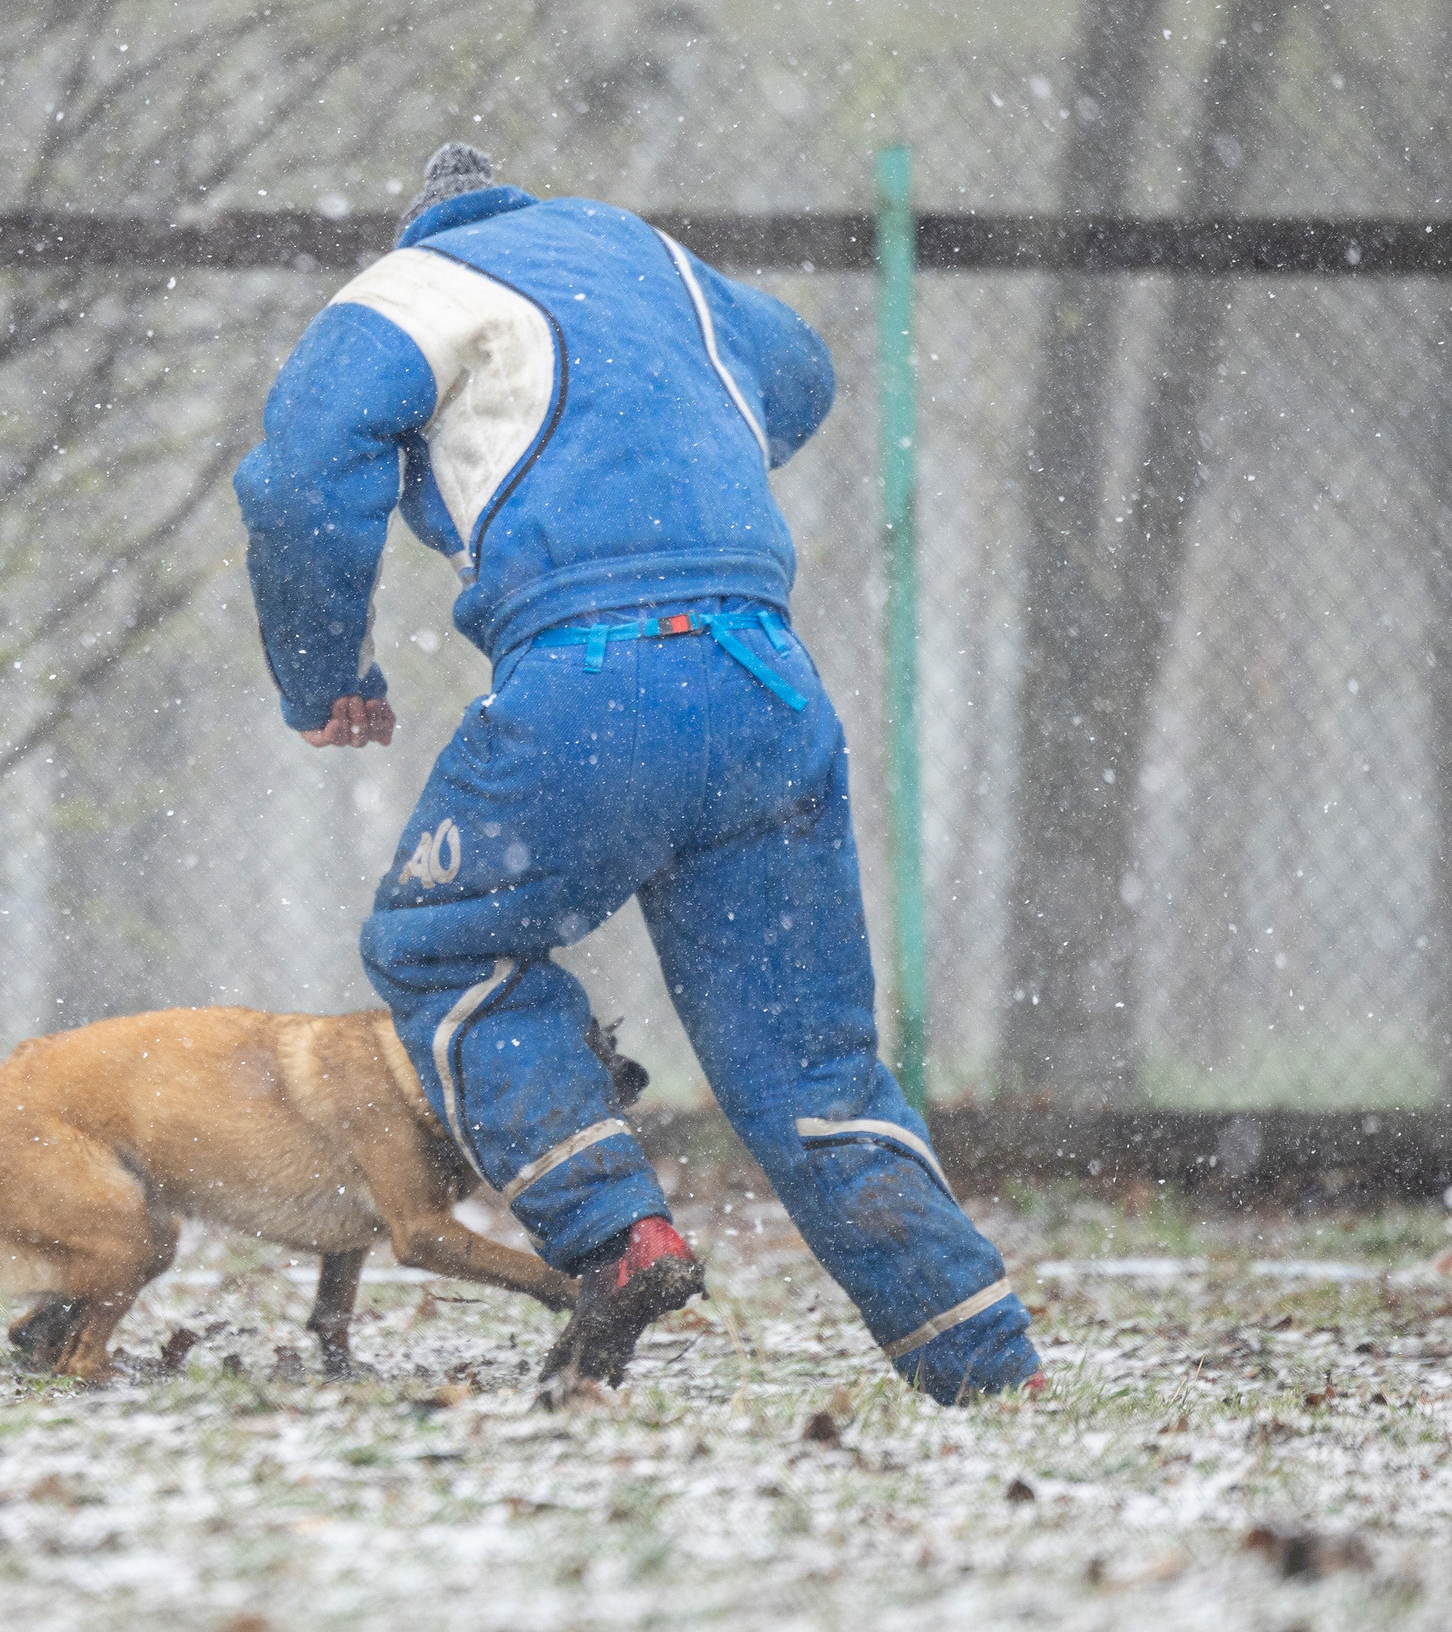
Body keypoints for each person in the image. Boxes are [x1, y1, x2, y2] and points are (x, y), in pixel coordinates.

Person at [233, 143, 1040, 1404]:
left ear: (417, 223)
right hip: (766, 683)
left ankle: (617, 1232)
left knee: (442, 947)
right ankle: (987, 1363)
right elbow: (803, 373)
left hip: (591, 680)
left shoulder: (405, 291)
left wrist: (323, 672)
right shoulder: (655, 261)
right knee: (812, 1065)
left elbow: (295, 481)